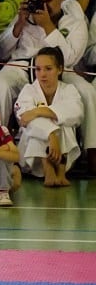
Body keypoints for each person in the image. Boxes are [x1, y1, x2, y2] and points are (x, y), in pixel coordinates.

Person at [0, 0, 89, 138]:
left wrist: (48, 25)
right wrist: (19, 23)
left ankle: (91, 151)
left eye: (49, 2)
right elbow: (0, 52)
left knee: (87, 91)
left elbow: (70, 59)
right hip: (22, 66)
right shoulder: (26, 16)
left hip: (59, 70)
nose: (44, 8)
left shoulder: (74, 21)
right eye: (39, 2)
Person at [15, 47, 83, 186]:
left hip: (64, 153)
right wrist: (51, 134)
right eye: (38, 69)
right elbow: (24, 119)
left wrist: (38, 111)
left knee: (63, 122)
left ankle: (61, 172)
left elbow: (76, 113)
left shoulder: (69, 89)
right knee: (37, 125)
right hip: (33, 159)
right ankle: (48, 170)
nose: (42, 74)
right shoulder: (28, 90)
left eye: (48, 68)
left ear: (60, 69)